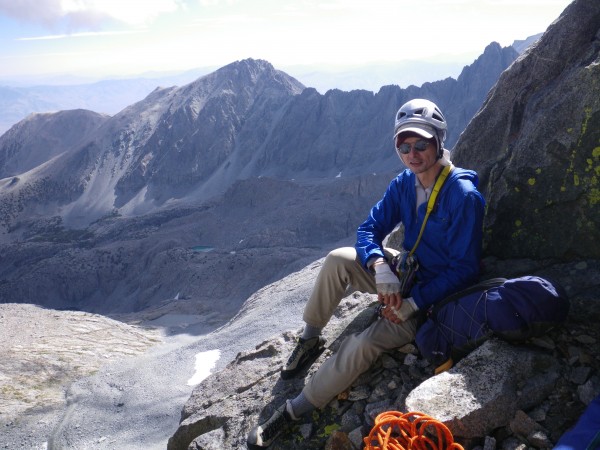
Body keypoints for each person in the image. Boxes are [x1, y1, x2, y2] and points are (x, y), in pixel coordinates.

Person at [247, 98, 485, 449]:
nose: (412, 153)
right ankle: (310, 339)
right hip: (405, 273)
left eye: (421, 144)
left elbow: (466, 268)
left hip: (433, 298)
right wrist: (379, 266)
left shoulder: (462, 195)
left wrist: (413, 304)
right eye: (404, 146)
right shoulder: (405, 183)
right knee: (337, 259)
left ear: (439, 141)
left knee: (364, 342)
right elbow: (368, 229)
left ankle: (294, 412)